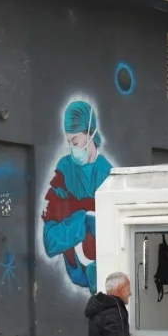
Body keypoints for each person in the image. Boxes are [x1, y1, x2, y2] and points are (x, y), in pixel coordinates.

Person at [41, 100, 113, 293]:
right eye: (68, 142)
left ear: (91, 134)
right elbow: (50, 240)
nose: (73, 148)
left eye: (75, 142)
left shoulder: (109, 176)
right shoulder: (63, 172)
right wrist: (82, 220)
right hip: (76, 270)